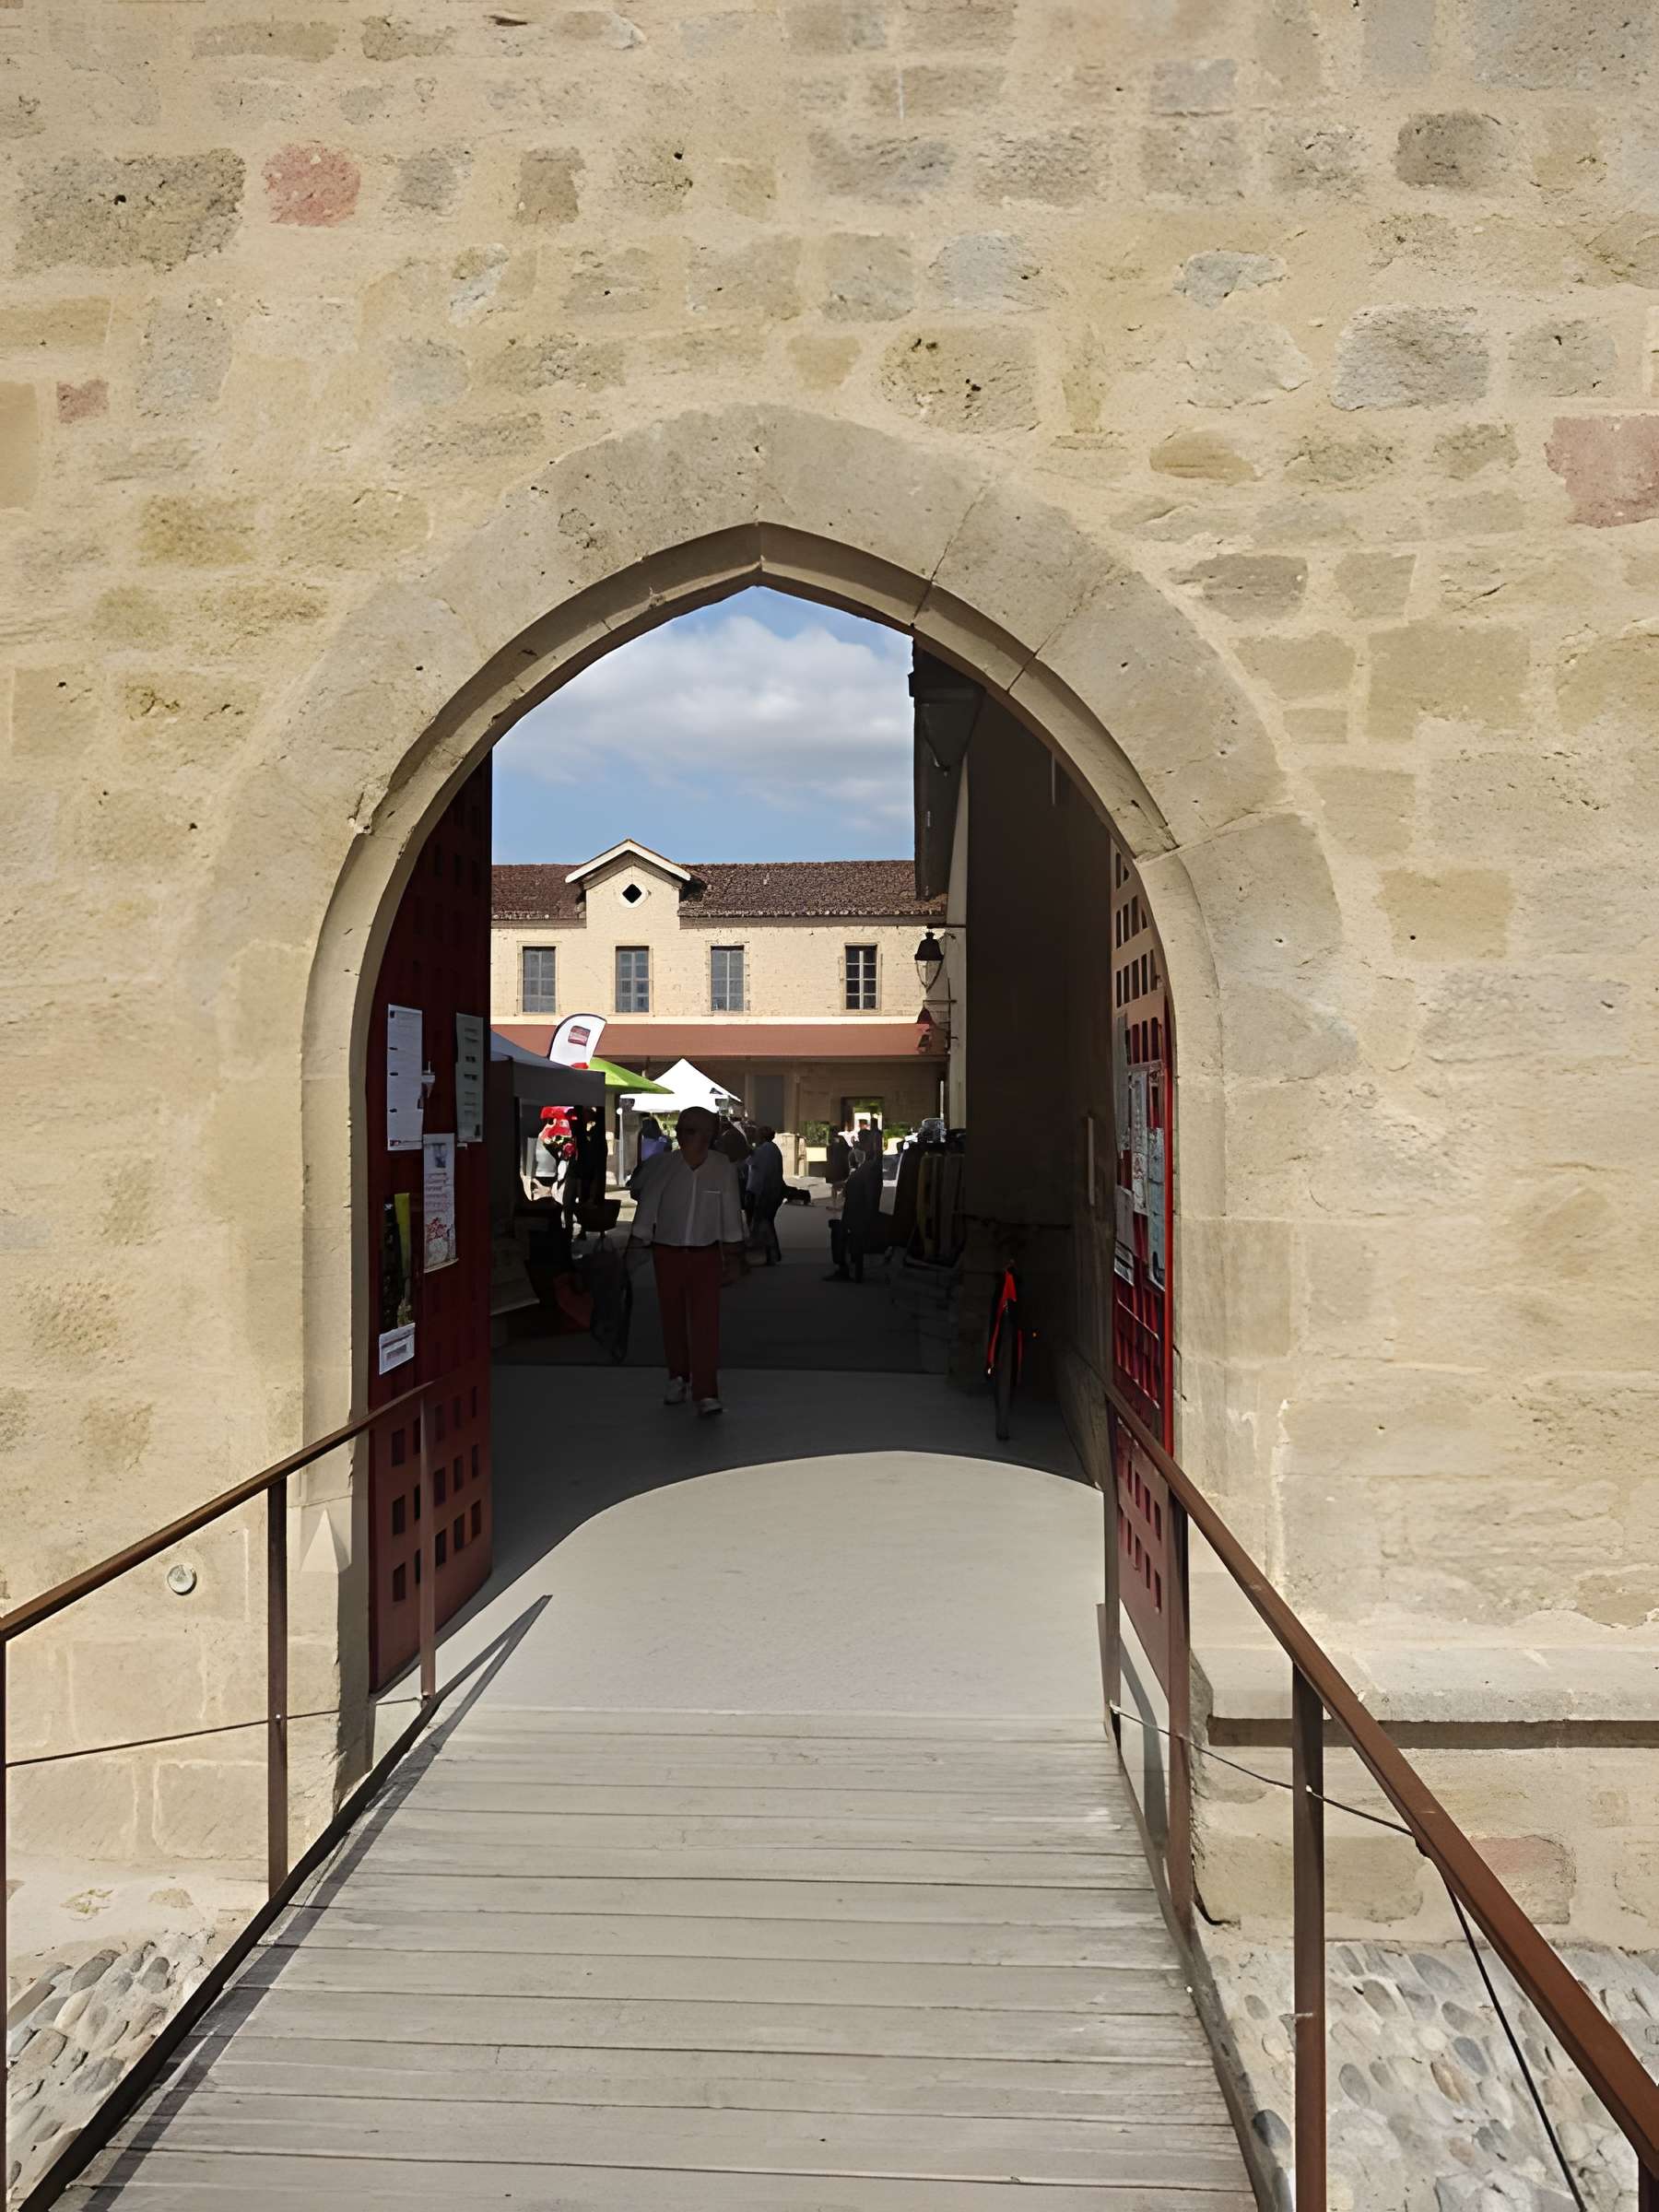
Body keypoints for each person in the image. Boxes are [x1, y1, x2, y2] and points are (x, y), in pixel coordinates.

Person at [629, 1104, 745, 1416]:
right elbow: (647, 1208)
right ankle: (677, 1377)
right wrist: (637, 1245)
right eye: (689, 1130)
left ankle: (706, 1391)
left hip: (706, 1254)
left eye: (705, 1132)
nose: (697, 1138)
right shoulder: (663, 1166)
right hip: (667, 1252)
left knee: (706, 1323)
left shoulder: (722, 1167)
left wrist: (733, 1256)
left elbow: (730, 1211)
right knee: (672, 1317)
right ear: (678, 1134)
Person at [827, 1143, 884, 1283]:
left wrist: (870, 1217)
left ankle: (843, 1268)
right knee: (836, 1228)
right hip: (855, 1215)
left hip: (859, 1217)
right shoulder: (866, 1169)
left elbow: (870, 1195)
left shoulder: (870, 1169)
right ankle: (845, 1266)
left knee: (838, 1233)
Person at [745, 1124, 785, 1265]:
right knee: (766, 1222)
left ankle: (770, 1254)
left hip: (764, 1192)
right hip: (772, 1191)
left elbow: (751, 1163)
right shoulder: (773, 1149)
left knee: (763, 1223)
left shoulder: (764, 1150)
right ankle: (771, 1254)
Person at [566, 1105, 608, 1239]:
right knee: (572, 1203)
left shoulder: (593, 1137)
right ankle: (572, 1230)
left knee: (582, 1200)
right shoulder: (581, 1136)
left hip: (585, 1170)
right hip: (579, 1171)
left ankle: (582, 1229)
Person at [825, 1124, 853, 1210]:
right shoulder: (839, 1140)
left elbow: (829, 1154)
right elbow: (849, 1149)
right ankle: (838, 1204)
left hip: (837, 1166)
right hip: (839, 1166)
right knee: (838, 1185)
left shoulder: (834, 1141)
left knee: (837, 1186)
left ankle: (837, 1204)